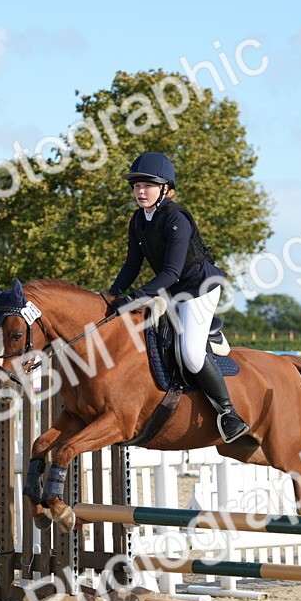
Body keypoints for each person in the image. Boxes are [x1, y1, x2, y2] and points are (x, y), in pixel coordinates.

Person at [103, 152, 250, 443]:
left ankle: (228, 413)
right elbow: (132, 264)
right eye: (136, 186)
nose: (140, 191)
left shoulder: (176, 218)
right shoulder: (138, 220)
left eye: (148, 185)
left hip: (199, 289)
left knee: (191, 355)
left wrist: (134, 298)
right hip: (172, 291)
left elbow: (170, 272)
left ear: (165, 189)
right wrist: (111, 294)